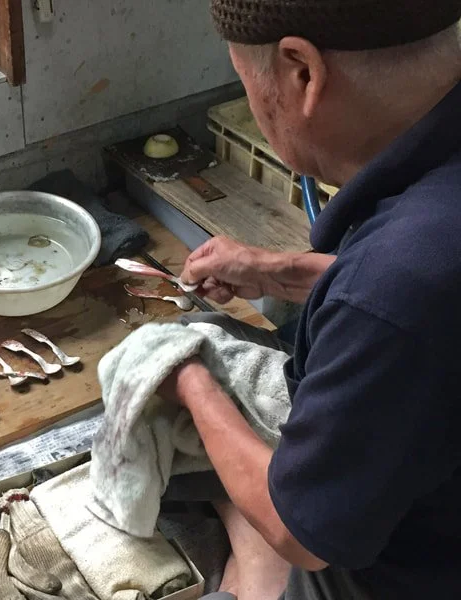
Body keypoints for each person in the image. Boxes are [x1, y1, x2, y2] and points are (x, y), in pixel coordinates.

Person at [161, 2, 461, 599]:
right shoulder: (419, 244)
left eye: (244, 82)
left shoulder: (393, 286)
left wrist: (186, 377)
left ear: (301, 71)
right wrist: (276, 272)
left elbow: (302, 532)